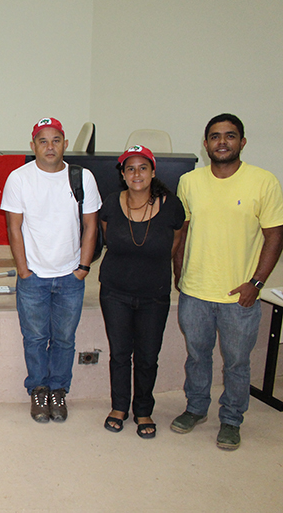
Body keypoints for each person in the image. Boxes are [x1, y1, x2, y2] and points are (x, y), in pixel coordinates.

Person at [172, 113, 283, 450]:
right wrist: (178, 272)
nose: (222, 142)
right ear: (205, 145)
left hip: (240, 295)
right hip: (195, 291)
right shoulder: (189, 181)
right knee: (197, 355)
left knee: (236, 362)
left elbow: (275, 236)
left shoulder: (263, 182)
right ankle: (195, 408)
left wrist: (257, 283)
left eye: (230, 136)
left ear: (242, 142)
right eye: (215, 136)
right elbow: (183, 231)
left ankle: (232, 419)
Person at [1, 117, 101, 423]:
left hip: (70, 275)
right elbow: (13, 227)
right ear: (32, 146)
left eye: (55, 140)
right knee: (34, 338)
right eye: (42, 141)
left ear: (66, 144)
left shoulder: (82, 177)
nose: (49, 146)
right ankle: (38, 389)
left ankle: (59, 389)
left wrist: (83, 267)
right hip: (33, 277)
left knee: (64, 339)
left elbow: (91, 225)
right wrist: (23, 269)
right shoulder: (19, 178)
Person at [99, 145, 185, 438]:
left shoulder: (172, 205)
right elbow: (109, 236)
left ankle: (144, 409)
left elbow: (175, 241)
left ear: (153, 171)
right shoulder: (111, 203)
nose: (137, 174)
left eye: (143, 167)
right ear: (123, 174)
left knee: (148, 355)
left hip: (155, 292)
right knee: (120, 353)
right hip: (114, 291)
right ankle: (119, 406)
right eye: (130, 168)